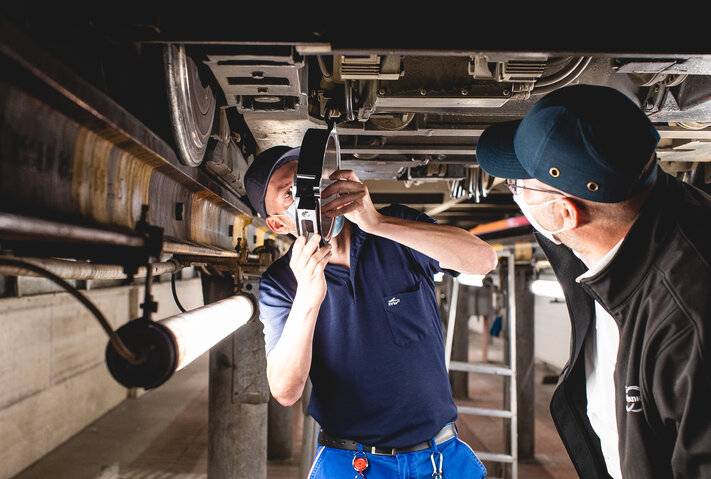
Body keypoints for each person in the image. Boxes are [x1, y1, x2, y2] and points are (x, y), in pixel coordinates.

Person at [476, 84, 711, 478]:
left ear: (566, 214)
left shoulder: (686, 323)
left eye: (518, 185)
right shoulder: (632, 223)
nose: (512, 191)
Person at [243, 145, 497, 478]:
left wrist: (377, 222)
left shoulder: (397, 226)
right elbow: (286, 391)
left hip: (440, 458)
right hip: (352, 465)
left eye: (311, 182)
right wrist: (308, 296)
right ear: (277, 225)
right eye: (290, 193)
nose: (311, 197)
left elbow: (483, 261)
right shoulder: (282, 282)